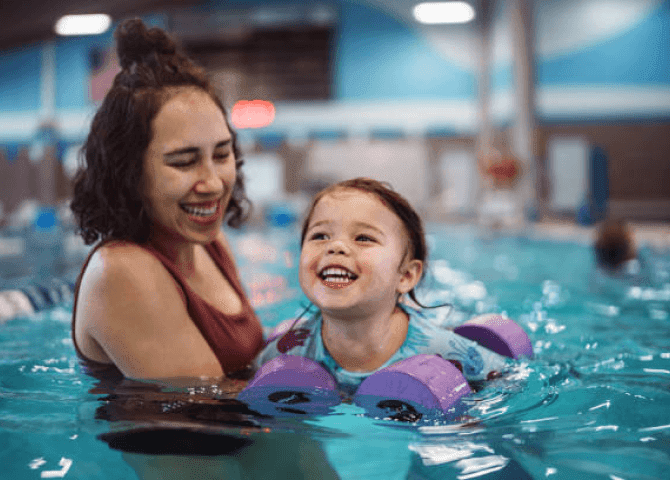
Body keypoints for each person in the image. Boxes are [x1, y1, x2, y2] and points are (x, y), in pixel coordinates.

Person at [70, 18, 264, 380]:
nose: (214, 183)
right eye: (184, 162)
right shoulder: (121, 272)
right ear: (128, 173)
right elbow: (208, 413)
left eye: (221, 155)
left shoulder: (210, 244)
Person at [257, 178, 509, 394]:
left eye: (363, 238)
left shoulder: (446, 353)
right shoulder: (287, 352)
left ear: (406, 276)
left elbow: (507, 384)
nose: (335, 247)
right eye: (320, 236)